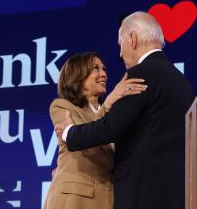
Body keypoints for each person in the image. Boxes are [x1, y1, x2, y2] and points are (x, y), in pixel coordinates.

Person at [56, 12, 194, 209]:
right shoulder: (181, 80)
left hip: (143, 192)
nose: (120, 54)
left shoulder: (142, 73)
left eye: (120, 43)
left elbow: (110, 127)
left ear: (133, 39)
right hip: (174, 192)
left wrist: (70, 133)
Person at [44, 52, 147, 209]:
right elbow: (87, 141)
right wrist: (109, 102)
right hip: (74, 199)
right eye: (96, 69)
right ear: (78, 74)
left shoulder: (114, 113)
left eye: (104, 69)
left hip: (107, 198)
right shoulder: (62, 107)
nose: (103, 74)